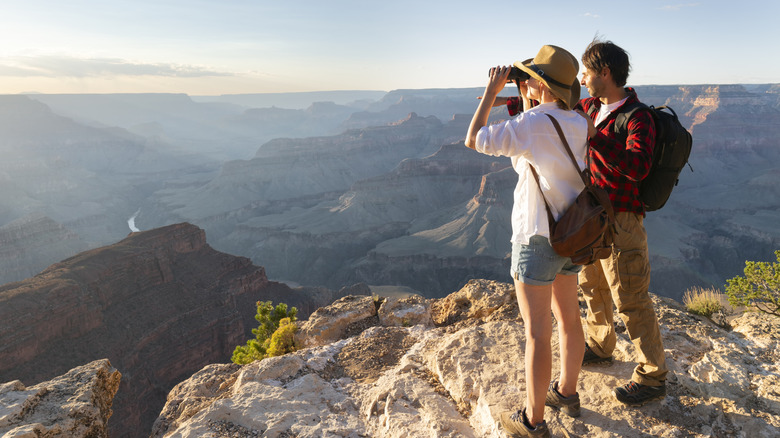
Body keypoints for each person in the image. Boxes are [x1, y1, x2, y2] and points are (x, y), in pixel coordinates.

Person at [465, 45, 587, 438]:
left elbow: (475, 138)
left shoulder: (532, 123)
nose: (523, 81)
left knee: (537, 332)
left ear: (541, 84)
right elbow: (538, 135)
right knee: (570, 320)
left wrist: (489, 93)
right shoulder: (578, 120)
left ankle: (533, 422)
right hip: (572, 233)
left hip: (536, 238)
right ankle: (567, 393)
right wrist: (521, 95)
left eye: (527, 76)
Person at [575, 39, 669, 406]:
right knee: (592, 285)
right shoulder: (589, 106)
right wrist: (510, 100)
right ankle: (600, 343)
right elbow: (554, 108)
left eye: (586, 72)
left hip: (623, 221)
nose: (582, 79)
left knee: (630, 298)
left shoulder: (637, 116)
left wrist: (595, 136)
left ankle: (652, 375)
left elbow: (637, 167)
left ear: (605, 73)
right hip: (591, 216)